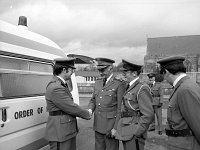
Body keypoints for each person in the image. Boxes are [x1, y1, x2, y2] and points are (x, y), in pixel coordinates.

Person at [44, 58, 92, 150]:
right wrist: (87, 114)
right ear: (64, 70)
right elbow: (71, 107)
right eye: (71, 70)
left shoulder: (60, 84)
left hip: (64, 130)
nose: (73, 72)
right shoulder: (56, 87)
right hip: (60, 132)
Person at [157, 55, 200, 150]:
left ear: (166, 72)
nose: (164, 78)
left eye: (163, 74)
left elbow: (197, 124)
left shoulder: (185, 89)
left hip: (185, 145)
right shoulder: (186, 85)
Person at [115, 59, 154, 150]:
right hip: (127, 129)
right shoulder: (128, 85)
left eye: (126, 72)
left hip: (134, 131)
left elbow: (148, 115)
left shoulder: (142, 88)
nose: (124, 74)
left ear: (134, 73)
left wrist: (138, 131)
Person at [88, 57, 126, 150]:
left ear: (110, 68)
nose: (100, 72)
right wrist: (89, 110)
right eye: (99, 70)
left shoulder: (119, 83)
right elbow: (93, 100)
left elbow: (120, 108)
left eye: (103, 70)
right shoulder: (98, 82)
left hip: (110, 126)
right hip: (98, 124)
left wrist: (116, 127)